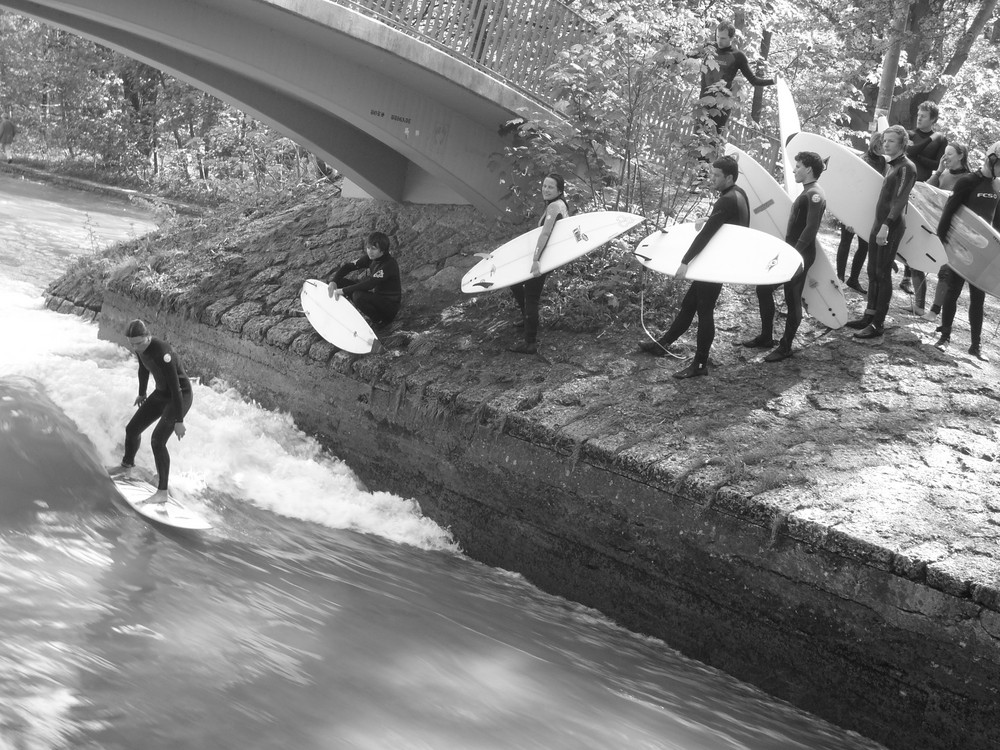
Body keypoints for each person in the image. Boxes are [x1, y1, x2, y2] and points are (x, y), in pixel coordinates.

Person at [637, 155, 750, 378]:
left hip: (715, 263)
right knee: (689, 303)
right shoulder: (738, 194)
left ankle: (700, 364)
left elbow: (706, 236)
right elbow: (724, 224)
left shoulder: (726, 199)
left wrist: (685, 262)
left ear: (729, 177)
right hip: (720, 259)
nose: (712, 179)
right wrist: (708, 218)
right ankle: (663, 345)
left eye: (717, 176)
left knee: (705, 310)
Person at [744, 152, 827, 363]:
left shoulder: (815, 194)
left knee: (792, 297)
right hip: (793, 250)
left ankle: (786, 346)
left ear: (808, 169)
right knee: (763, 288)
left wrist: (795, 254)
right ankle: (765, 337)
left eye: (798, 166)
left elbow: (810, 228)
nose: (793, 170)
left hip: (801, 254)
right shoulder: (808, 192)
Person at [110, 319, 192, 505]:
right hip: (162, 393)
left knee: (157, 441)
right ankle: (127, 465)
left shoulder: (163, 352)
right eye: (133, 344)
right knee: (132, 429)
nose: (136, 347)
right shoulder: (140, 349)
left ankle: (162, 492)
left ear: (148, 336)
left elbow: (176, 388)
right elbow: (143, 369)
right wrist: (142, 393)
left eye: (139, 343)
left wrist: (179, 420)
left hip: (180, 395)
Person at [845, 125, 917, 339]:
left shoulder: (907, 167)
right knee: (872, 271)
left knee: (882, 273)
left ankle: (878, 325)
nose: (886, 144)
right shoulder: (891, 165)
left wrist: (886, 225)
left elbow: (900, 199)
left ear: (902, 143)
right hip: (880, 224)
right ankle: (869, 315)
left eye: (891, 141)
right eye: (885, 140)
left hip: (891, 225)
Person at [932, 142, 1000, 360]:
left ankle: (975, 346)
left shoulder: (997, 187)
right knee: (953, 291)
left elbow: (995, 222)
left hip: (983, 251)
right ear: (991, 159)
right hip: (961, 248)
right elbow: (948, 213)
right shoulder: (968, 181)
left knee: (978, 298)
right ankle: (945, 338)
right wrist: (941, 242)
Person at [508, 173, 569, 354]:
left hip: (544, 257)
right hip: (548, 255)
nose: (546, 189)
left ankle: (530, 342)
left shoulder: (554, 207)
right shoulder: (559, 204)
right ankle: (527, 319)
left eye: (551, 187)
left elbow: (545, 234)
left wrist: (536, 260)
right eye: (544, 186)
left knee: (531, 295)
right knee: (516, 283)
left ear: (559, 190)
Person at [691, 21, 774, 140]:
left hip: (722, 106)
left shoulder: (738, 56)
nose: (719, 41)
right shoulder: (709, 48)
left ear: (731, 38)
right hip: (703, 102)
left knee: (713, 142)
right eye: (718, 36)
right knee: (696, 141)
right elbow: (688, 56)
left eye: (723, 38)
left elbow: (754, 80)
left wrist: (773, 81)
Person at [901, 101, 948, 301]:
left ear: (933, 119)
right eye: (918, 114)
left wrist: (917, 154)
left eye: (924, 116)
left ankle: (908, 276)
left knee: (918, 230)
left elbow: (938, 164)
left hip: (925, 189)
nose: (919, 118)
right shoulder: (909, 135)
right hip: (906, 184)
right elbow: (907, 154)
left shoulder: (940, 139)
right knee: (903, 227)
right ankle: (904, 270)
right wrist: (918, 155)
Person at [922, 141, 971, 323]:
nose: (945, 157)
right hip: (933, 225)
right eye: (944, 153)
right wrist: (939, 170)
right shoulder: (944, 174)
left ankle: (934, 311)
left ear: (961, 156)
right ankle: (920, 305)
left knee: (945, 272)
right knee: (921, 264)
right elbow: (926, 189)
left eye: (949, 154)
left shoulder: (968, 179)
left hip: (954, 232)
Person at [836, 131, 886, 294]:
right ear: (874, 144)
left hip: (869, 208)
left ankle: (853, 279)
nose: (882, 148)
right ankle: (840, 278)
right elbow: (851, 187)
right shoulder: (863, 160)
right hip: (853, 207)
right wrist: (848, 216)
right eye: (880, 145)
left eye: (884, 145)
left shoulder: (883, 161)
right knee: (846, 242)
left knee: (864, 245)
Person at [329, 231, 401, 329]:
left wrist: (343, 291)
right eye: (368, 248)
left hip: (389, 308)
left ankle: (379, 322)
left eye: (373, 249)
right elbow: (349, 266)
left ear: (383, 250)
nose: (369, 251)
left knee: (358, 296)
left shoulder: (389, 265)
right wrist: (334, 281)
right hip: (377, 298)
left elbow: (370, 284)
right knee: (339, 282)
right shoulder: (371, 258)